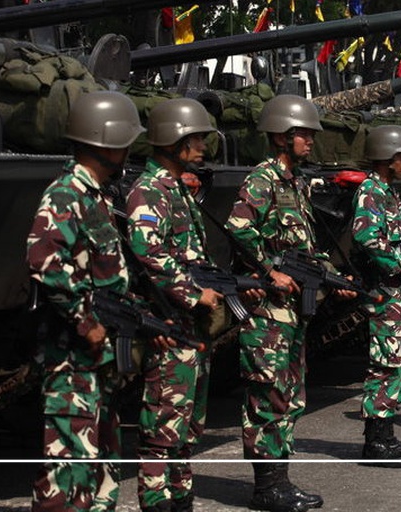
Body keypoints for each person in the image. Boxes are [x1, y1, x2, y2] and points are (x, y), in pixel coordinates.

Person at [27, 91, 145, 511]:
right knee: (67, 470)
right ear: (105, 141)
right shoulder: (66, 194)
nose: (130, 148)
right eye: (126, 139)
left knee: (100, 468)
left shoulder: (99, 196)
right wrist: (86, 320)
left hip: (97, 361)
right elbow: (44, 262)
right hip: (72, 359)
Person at [226, 94, 332, 512]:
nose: (311, 140)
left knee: (290, 394)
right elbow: (239, 228)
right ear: (283, 136)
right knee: (267, 394)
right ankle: (267, 487)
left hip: (292, 310)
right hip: (269, 310)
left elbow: (301, 244)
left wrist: (326, 274)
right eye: (305, 133)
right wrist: (270, 270)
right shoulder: (262, 180)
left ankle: (280, 479)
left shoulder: (296, 182)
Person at [126, 98, 224, 512]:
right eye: (194, 139)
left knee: (186, 422)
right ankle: (156, 500)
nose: (201, 146)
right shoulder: (150, 190)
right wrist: (192, 292)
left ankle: (180, 496)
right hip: (168, 322)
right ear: (171, 140)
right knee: (162, 423)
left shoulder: (176, 189)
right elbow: (147, 249)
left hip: (189, 326)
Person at [350, 124, 401, 466]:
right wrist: (398, 264)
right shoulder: (371, 192)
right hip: (383, 292)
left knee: (400, 363)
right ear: (386, 157)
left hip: (395, 293)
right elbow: (367, 237)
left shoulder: (388, 192)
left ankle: (386, 436)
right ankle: (376, 442)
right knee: (386, 364)